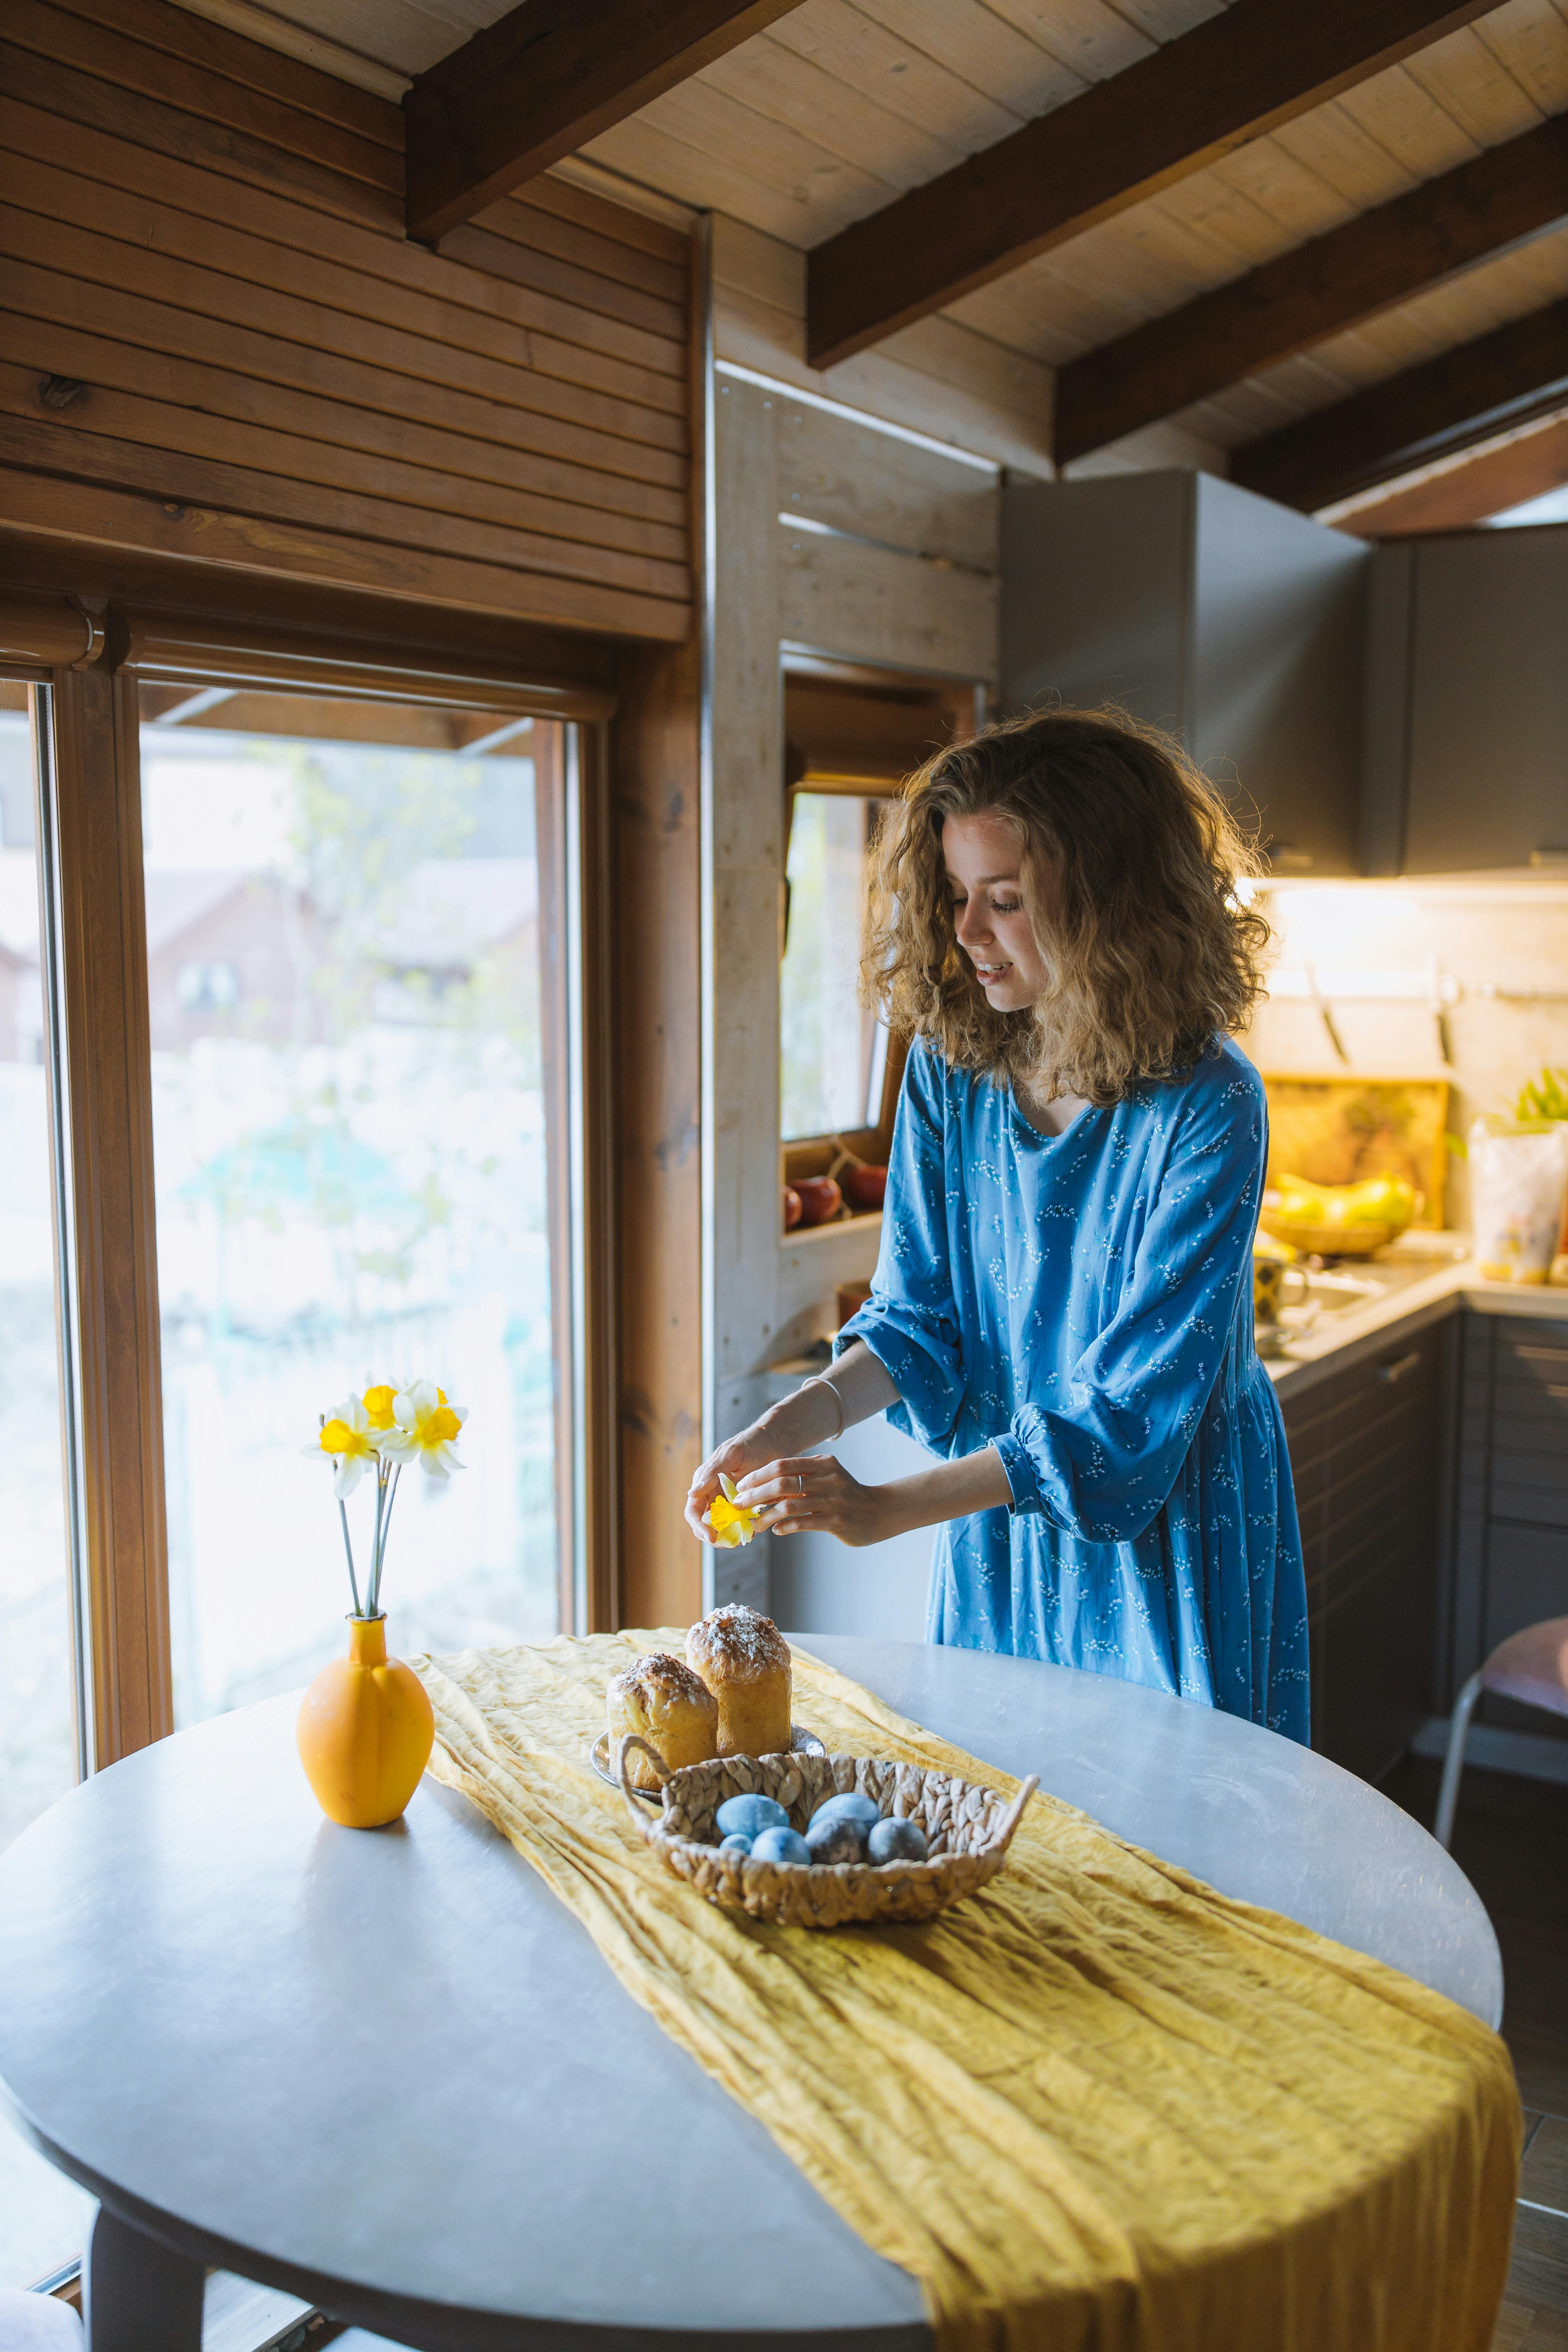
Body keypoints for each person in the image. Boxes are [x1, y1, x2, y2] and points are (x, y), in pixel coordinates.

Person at [686, 707, 1309, 1741]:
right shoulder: (950, 1068)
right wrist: (787, 1426)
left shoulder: (1211, 1106)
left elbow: (1128, 1423)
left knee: (1179, 1855)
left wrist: (888, 1507)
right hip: (1004, 1528)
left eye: (1007, 900)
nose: (969, 932)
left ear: (1111, 905)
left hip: (1171, 1535)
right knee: (1006, 1823)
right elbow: (919, 1320)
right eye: (959, 896)